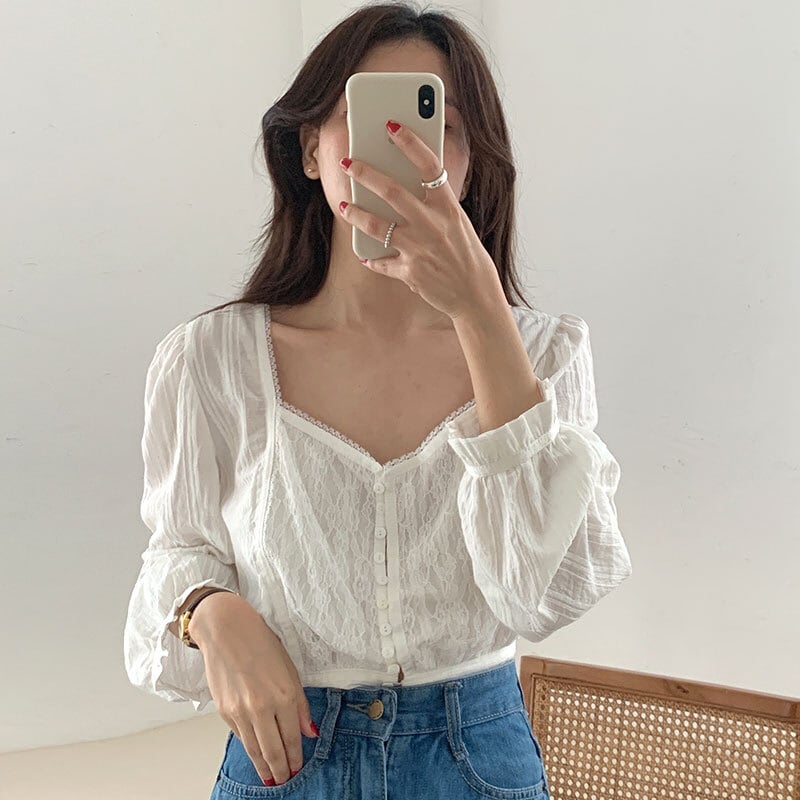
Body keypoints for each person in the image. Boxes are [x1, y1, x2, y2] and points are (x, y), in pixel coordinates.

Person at [123, 3, 633, 798]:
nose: (405, 150)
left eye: (439, 127)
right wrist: (208, 609)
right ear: (311, 148)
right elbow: (176, 549)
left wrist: (480, 314)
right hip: (288, 761)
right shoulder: (212, 360)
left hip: (477, 760)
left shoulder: (546, 355)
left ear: (471, 162)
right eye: (371, 120)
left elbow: (540, 594)